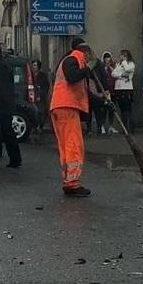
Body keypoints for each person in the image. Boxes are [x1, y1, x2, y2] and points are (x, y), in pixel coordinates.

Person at [50, 38, 95, 197]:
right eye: (90, 56)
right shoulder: (73, 59)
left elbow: (82, 90)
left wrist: (103, 100)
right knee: (74, 144)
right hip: (66, 107)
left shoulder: (70, 61)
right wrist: (86, 70)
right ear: (86, 53)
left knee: (66, 146)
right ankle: (73, 183)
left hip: (60, 106)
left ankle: (68, 180)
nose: (90, 59)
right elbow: (72, 76)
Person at [111, 49, 136, 132]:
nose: (121, 57)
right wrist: (121, 75)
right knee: (122, 109)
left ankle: (131, 127)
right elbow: (113, 73)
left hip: (127, 88)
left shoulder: (131, 64)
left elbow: (128, 70)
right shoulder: (118, 64)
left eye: (123, 55)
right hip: (118, 88)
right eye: (121, 55)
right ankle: (124, 127)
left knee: (128, 108)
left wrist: (125, 62)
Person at [101, 51, 118, 133]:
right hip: (105, 92)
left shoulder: (113, 68)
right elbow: (102, 76)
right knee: (104, 109)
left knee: (112, 109)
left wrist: (110, 67)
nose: (108, 60)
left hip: (113, 91)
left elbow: (115, 74)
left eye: (109, 58)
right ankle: (102, 126)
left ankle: (111, 126)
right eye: (106, 58)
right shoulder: (101, 68)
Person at [31, 60, 50, 131]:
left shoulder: (42, 76)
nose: (34, 67)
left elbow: (46, 85)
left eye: (35, 65)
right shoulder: (31, 74)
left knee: (41, 111)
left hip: (40, 96)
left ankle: (40, 125)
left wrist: (42, 94)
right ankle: (34, 126)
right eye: (33, 65)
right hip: (33, 96)